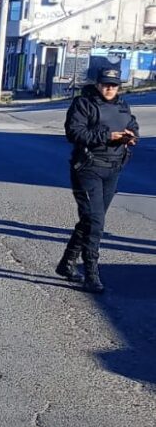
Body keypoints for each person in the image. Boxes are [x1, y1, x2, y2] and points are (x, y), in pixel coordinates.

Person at [57, 67, 138, 293]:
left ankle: (67, 263)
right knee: (96, 222)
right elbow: (74, 133)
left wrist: (132, 137)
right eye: (105, 84)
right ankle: (91, 274)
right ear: (97, 84)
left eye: (114, 85)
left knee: (90, 220)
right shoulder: (83, 104)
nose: (109, 88)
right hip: (88, 168)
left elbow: (132, 125)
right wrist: (107, 136)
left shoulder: (123, 105)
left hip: (113, 169)